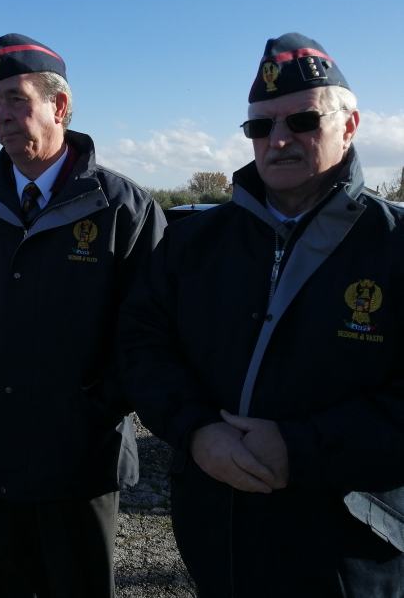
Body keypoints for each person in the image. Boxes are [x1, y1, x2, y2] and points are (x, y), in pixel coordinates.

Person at [119, 33, 404, 597]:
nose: (278, 140)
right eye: (260, 127)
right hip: (217, 535)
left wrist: (301, 448)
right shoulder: (193, 243)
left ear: (349, 126)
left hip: (348, 553)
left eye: (302, 121)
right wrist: (195, 430)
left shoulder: (393, 246)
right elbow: (140, 345)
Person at [0, 33, 165, 597]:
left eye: (17, 99)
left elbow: (151, 330)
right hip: (2, 440)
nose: (2, 116)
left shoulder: (121, 208)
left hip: (82, 451)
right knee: (10, 584)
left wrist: (96, 404)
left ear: (60, 106)